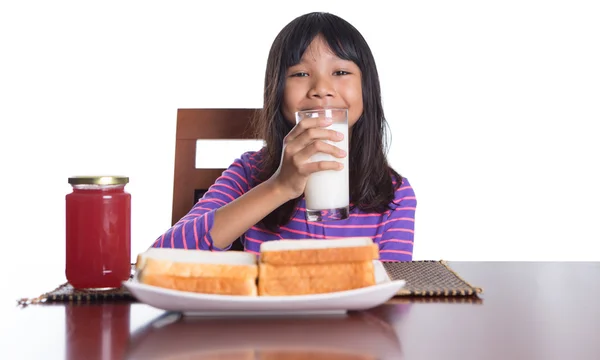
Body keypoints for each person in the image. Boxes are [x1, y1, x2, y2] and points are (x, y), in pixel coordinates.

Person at [151, 12, 417, 262]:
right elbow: (161, 258)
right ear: (276, 90)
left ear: (367, 88)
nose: (321, 89)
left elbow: (391, 297)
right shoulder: (249, 173)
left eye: (340, 72)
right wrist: (279, 187)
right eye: (300, 74)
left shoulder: (395, 195)